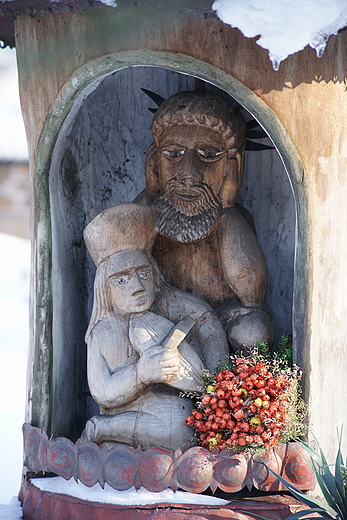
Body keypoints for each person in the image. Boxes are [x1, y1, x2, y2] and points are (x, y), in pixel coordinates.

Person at [82, 203, 229, 451]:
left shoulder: (173, 304)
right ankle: (104, 428)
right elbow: (102, 390)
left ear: (155, 273)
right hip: (128, 410)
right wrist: (141, 374)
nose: (137, 287)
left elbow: (208, 324)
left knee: (185, 427)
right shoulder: (103, 332)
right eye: (121, 280)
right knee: (180, 434)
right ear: (104, 289)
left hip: (178, 404)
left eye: (144, 274)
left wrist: (216, 381)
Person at [137, 91, 273, 351]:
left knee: (254, 329)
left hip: (221, 321)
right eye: (173, 154)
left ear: (233, 165)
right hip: (158, 319)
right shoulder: (145, 211)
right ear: (154, 160)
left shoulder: (232, 219)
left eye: (209, 156)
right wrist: (149, 197)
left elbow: (252, 296)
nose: (188, 173)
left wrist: (226, 204)